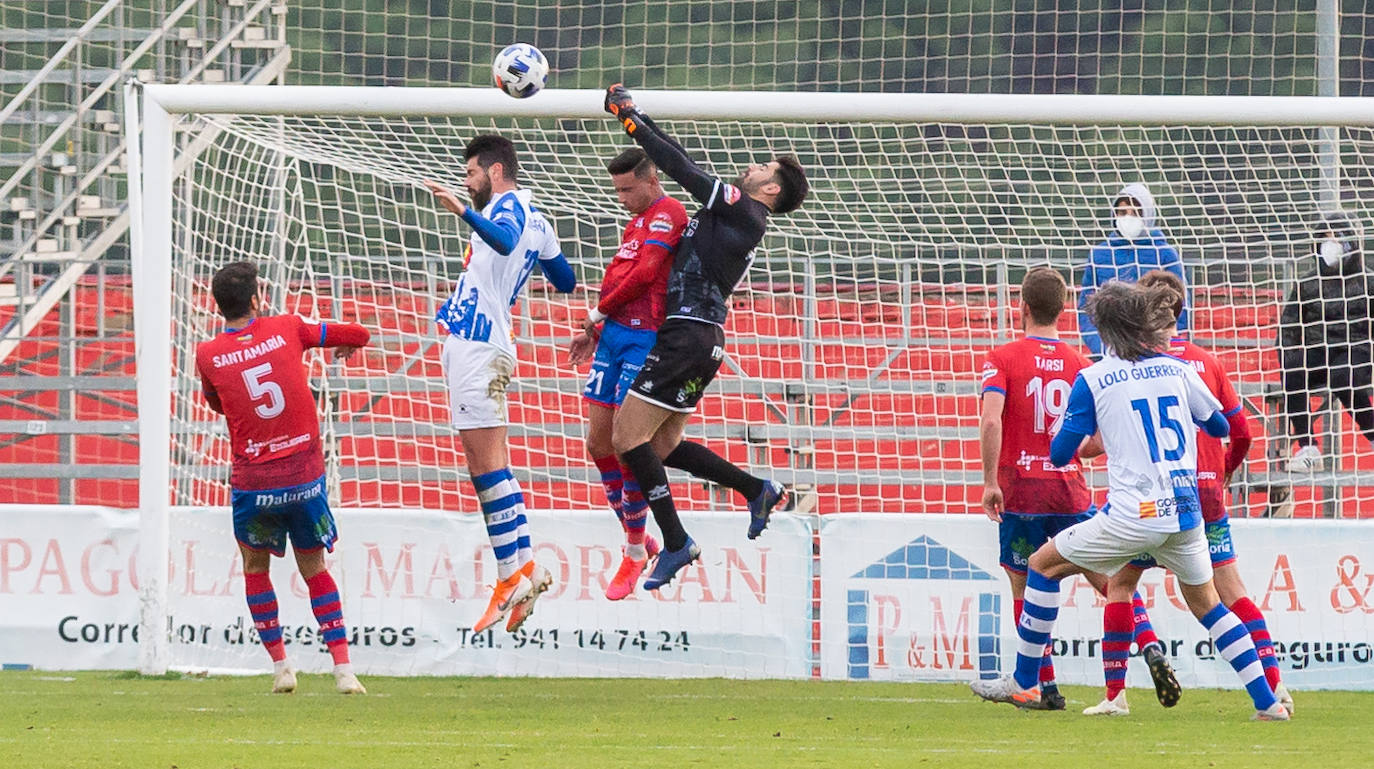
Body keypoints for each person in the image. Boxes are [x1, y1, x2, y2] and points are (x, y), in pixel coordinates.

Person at [971, 281, 1289, 721]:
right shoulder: (1178, 370)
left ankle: (1026, 682)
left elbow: (1062, 452)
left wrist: (1092, 432)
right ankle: (1268, 702)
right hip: (1185, 512)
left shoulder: (1095, 377)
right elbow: (1218, 427)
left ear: (1102, 328)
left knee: (1042, 566)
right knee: (1209, 605)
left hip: (1133, 516)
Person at [603, 84, 808, 590]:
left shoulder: (745, 211)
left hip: (688, 335)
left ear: (772, 189)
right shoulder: (735, 216)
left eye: (763, 168)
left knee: (626, 438)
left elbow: (683, 169)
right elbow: (689, 167)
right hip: (702, 339)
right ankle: (757, 488)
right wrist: (638, 117)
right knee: (666, 445)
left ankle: (675, 541)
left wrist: (631, 119)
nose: (753, 167)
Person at [1080, 270, 1292, 717]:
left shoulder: (1134, 363)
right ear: (1181, 310)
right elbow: (1241, 431)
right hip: (1203, 497)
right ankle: (1274, 690)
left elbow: (1116, 431)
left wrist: (1095, 446)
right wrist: (1225, 472)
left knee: (1120, 586)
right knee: (1229, 593)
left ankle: (1115, 696)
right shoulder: (1205, 361)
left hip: (1146, 499)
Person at [980, 266, 1173, 711]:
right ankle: (1149, 645)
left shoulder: (1003, 357)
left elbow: (992, 418)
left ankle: (1040, 686)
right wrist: (1068, 453)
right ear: (1065, 312)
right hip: (1070, 492)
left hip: (1021, 491)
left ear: (1022, 307)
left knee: (1024, 584)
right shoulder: (1082, 364)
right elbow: (1100, 442)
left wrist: (991, 481)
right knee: (1107, 580)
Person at [194, 261, 370, 695]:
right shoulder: (288, 327)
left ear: (220, 307)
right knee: (314, 569)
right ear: (256, 299)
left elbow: (217, 403)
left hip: (255, 484)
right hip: (303, 479)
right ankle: (344, 670)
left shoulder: (208, 354)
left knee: (255, 568)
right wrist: (346, 347)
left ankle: (281, 667)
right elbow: (358, 333)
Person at [427, 134, 577, 633]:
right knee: (496, 465)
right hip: (486, 342)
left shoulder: (508, 208)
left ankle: (509, 576)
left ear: (494, 171)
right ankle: (526, 565)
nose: (465, 183)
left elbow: (508, 240)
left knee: (485, 469)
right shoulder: (540, 220)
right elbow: (567, 279)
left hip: (478, 345)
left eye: (470, 174)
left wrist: (462, 212)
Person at [568, 148, 687, 600]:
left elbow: (647, 274)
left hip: (644, 340)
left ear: (651, 178)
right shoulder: (635, 221)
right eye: (616, 190)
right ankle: (639, 536)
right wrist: (598, 332)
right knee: (597, 443)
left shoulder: (667, 212)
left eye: (627, 189)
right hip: (614, 338)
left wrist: (595, 314)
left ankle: (635, 550)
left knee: (626, 445)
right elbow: (623, 278)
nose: (621, 198)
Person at [1278, 211, 1374, 472]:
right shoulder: (1308, 283)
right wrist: (1288, 354)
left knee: (1343, 376)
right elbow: (1288, 326)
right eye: (1325, 237)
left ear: (1352, 243)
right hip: (1319, 350)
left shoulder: (1369, 282)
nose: (1329, 243)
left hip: (1357, 349)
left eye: (1337, 237)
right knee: (1294, 368)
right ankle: (1308, 449)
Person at [1078, 183, 1187, 358]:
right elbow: (1086, 308)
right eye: (1122, 212)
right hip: (1110, 352)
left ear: (1148, 215)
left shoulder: (1166, 254)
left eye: (1136, 212)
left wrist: (1164, 346)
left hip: (1155, 352)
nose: (1128, 218)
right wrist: (1103, 349)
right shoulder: (1100, 254)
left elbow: (1181, 308)